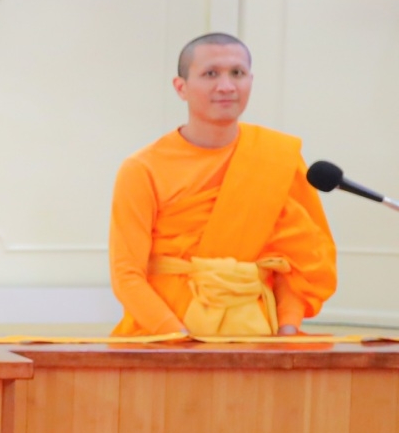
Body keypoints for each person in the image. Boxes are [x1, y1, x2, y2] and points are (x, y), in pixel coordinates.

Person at [108, 33, 336, 336]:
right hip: (164, 342)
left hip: (256, 338)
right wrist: (179, 339)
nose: (226, 86)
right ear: (181, 87)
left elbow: (295, 263)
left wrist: (287, 330)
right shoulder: (142, 169)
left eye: (237, 73)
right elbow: (126, 276)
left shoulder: (276, 158)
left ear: (250, 81)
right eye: (210, 74)